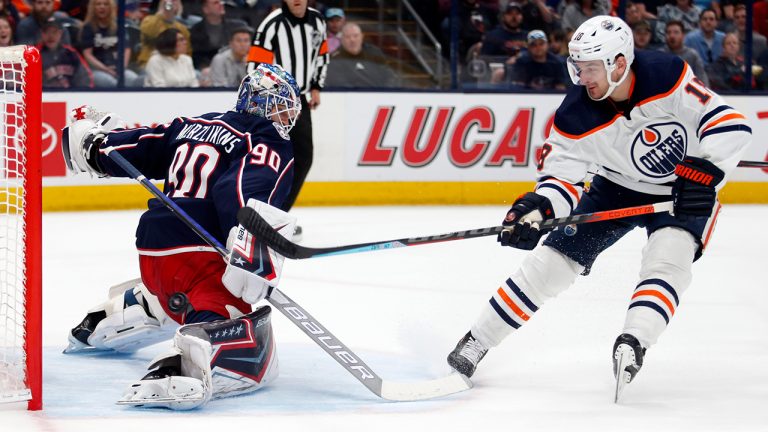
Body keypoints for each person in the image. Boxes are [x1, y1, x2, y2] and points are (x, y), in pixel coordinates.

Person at [446, 16, 751, 401]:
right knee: (551, 264)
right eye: (577, 66)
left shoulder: (667, 74)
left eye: (590, 68)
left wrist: (706, 172)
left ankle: (634, 341)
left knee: (669, 259)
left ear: (619, 64)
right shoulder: (574, 115)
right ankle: (477, 340)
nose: (580, 77)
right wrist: (535, 211)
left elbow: (730, 124)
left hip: (681, 189)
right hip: (616, 188)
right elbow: (560, 180)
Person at [60, 63, 301, 410]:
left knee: (178, 295)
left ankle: (109, 319)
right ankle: (182, 366)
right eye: (282, 104)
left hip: (154, 246)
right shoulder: (266, 139)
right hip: (196, 250)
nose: (288, 114)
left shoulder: (196, 124)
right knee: (231, 309)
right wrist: (249, 236)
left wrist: (96, 147)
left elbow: (140, 146)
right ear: (261, 103)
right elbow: (236, 188)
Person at [246, 0, 329, 239]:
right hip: (273, 102)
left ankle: (276, 218)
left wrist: (316, 86)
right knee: (268, 159)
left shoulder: (317, 21)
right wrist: (269, 102)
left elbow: (321, 55)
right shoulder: (271, 25)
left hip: (300, 99)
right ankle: (257, 216)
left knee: (303, 157)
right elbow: (254, 67)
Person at [80, 0, 141, 87]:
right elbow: (88, 55)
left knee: (134, 80)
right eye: (98, 4)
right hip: (97, 69)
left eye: (106, 4)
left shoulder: (119, 24)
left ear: (111, 7)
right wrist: (105, 69)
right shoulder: (88, 28)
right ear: (93, 7)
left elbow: (126, 49)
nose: (102, 7)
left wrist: (122, 67)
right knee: (111, 84)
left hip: (118, 67)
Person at [325, 22, 397, 88]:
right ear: (342, 39)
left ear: (362, 37)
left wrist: (385, 93)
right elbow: (341, 87)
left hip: (379, 96)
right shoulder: (334, 60)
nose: (352, 40)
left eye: (356, 36)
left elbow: (389, 76)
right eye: (348, 37)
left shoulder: (374, 52)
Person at [499, 29, 567, 90]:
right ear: (528, 47)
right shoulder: (522, 62)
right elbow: (518, 86)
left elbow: (561, 87)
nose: (538, 47)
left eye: (541, 44)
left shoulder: (556, 63)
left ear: (547, 45)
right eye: (534, 45)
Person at [190, 0, 248, 69]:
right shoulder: (196, 31)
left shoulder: (236, 27)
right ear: (206, 9)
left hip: (236, 65)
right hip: (208, 68)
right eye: (216, 3)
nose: (221, 4)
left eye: (221, 2)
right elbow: (197, 56)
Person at [38, 18, 93, 88]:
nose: (51, 36)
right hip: (45, 96)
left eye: (54, 32)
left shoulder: (71, 53)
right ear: (42, 34)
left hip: (71, 94)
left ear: (60, 33)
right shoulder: (34, 55)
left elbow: (85, 78)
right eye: (47, 32)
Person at [136, 0, 191, 68]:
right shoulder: (148, 21)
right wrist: (162, 13)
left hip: (176, 65)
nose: (172, 4)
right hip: (151, 63)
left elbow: (187, 51)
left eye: (175, 1)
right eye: (170, 1)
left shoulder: (182, 28)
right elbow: (150, 33)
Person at [659, 20, 710, 86]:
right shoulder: (659, 55)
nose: (672, 36)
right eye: (668, 33)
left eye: (676, 32)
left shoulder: (692, 55)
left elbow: (702, 79)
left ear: (683, 35)